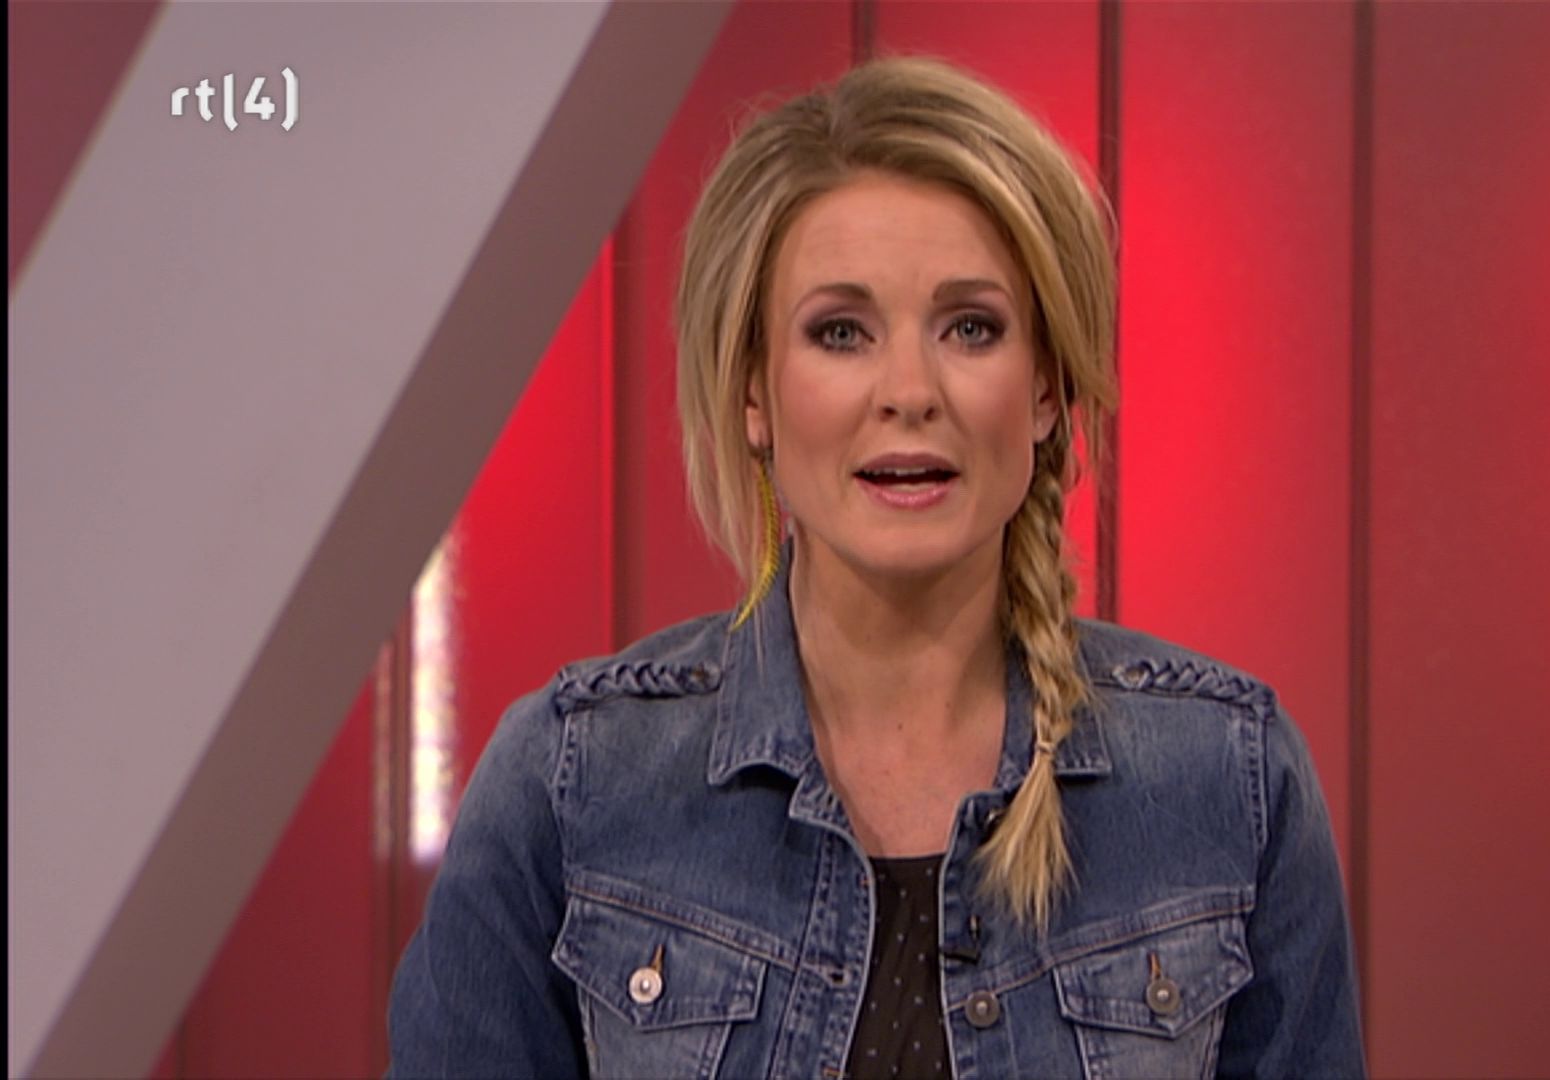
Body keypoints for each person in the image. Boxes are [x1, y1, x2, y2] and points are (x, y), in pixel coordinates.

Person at [387, 55, 1364, 1079]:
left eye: (971, 328)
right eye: (841, 332)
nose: (909, 389)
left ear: (1044, 389)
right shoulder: (571, 783)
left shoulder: (1229, 779)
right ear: (755, 394)